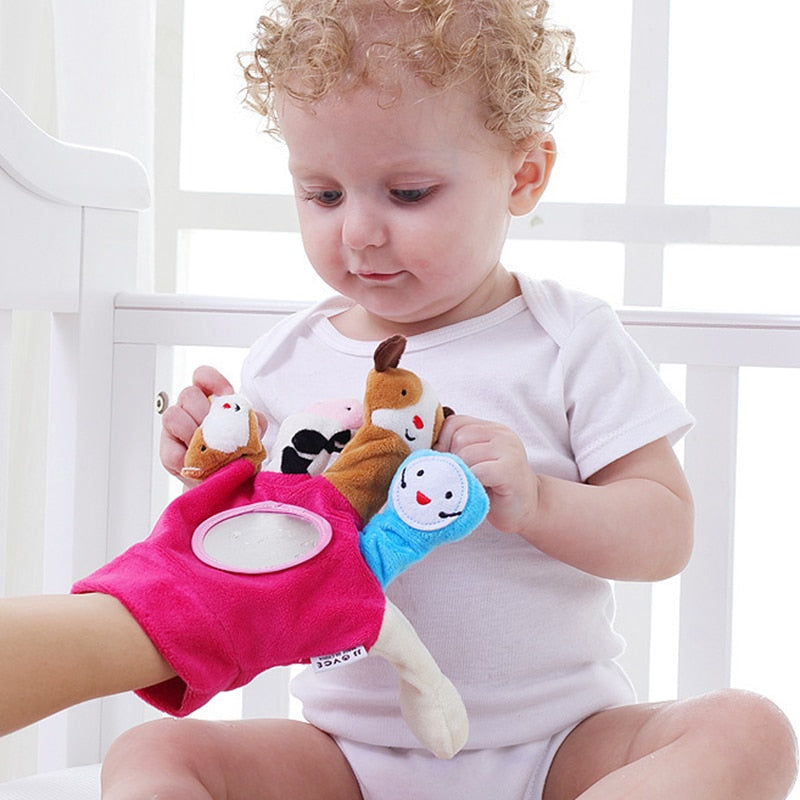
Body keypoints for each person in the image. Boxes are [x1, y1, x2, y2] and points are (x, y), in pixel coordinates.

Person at [0, 0, 796, 797]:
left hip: (558, 751)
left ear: (523, 175)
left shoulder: (567, 340)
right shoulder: (286, 359)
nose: (359, 232)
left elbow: (665, 533)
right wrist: (206, 464)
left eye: (408, 193)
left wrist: (539, 501)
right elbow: (251, 545)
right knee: (152, 752)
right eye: (323, 195)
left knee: (747, 727)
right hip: (347, 758)